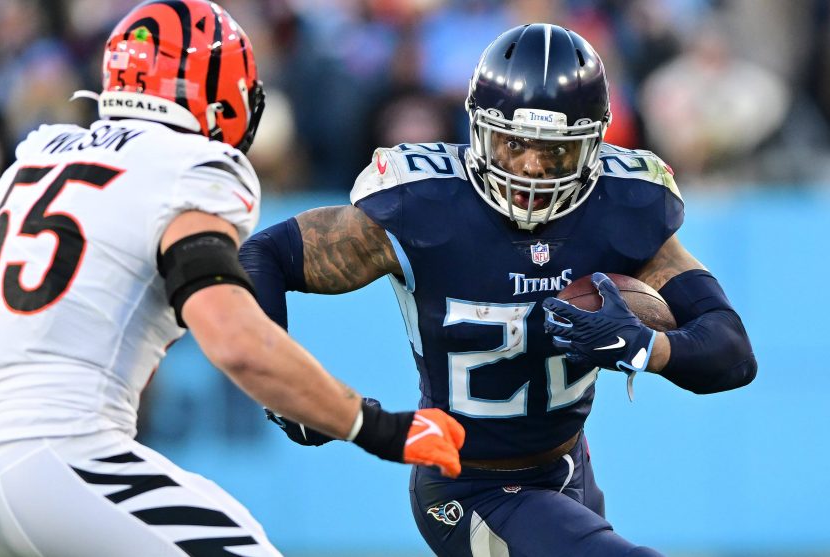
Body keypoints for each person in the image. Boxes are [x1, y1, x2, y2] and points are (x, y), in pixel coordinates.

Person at [0, 2, 465, 556]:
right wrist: (381, 429)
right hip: (70, 465)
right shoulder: (187, 169)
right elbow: (235, 341)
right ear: (220, 94)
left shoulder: (45, 159)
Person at [240, 23, 757, 557]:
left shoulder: (623, 211)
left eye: (554, 152)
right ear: (480, 131)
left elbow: (733, 354)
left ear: (592, 147)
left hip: (567, 472)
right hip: (469, 487)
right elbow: (262, 255)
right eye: (514, 145)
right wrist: (288, 390)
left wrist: (645, 347)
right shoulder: (423, 208)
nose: (531, 167)